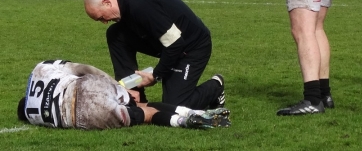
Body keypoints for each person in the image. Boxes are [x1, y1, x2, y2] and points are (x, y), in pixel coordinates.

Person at [83, 0, 225, 110]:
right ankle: (132, 95)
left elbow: (175, 44)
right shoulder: (125, 3)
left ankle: (215, 87)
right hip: (166, 44)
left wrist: (156, 75)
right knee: (115, 34)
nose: (104, 22)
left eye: (101, 17)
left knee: (175, 106)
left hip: (191, 47)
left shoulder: (140, 4)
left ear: (107, 3)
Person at [17, 59, 231, 130]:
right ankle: (192, 111)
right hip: (85, 88)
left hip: (83, 116)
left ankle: (183, 120)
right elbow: (85, 69)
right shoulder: (40, 70)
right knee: (138, 104)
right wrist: (120, 89)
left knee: (143, 113)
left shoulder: (31, 114)